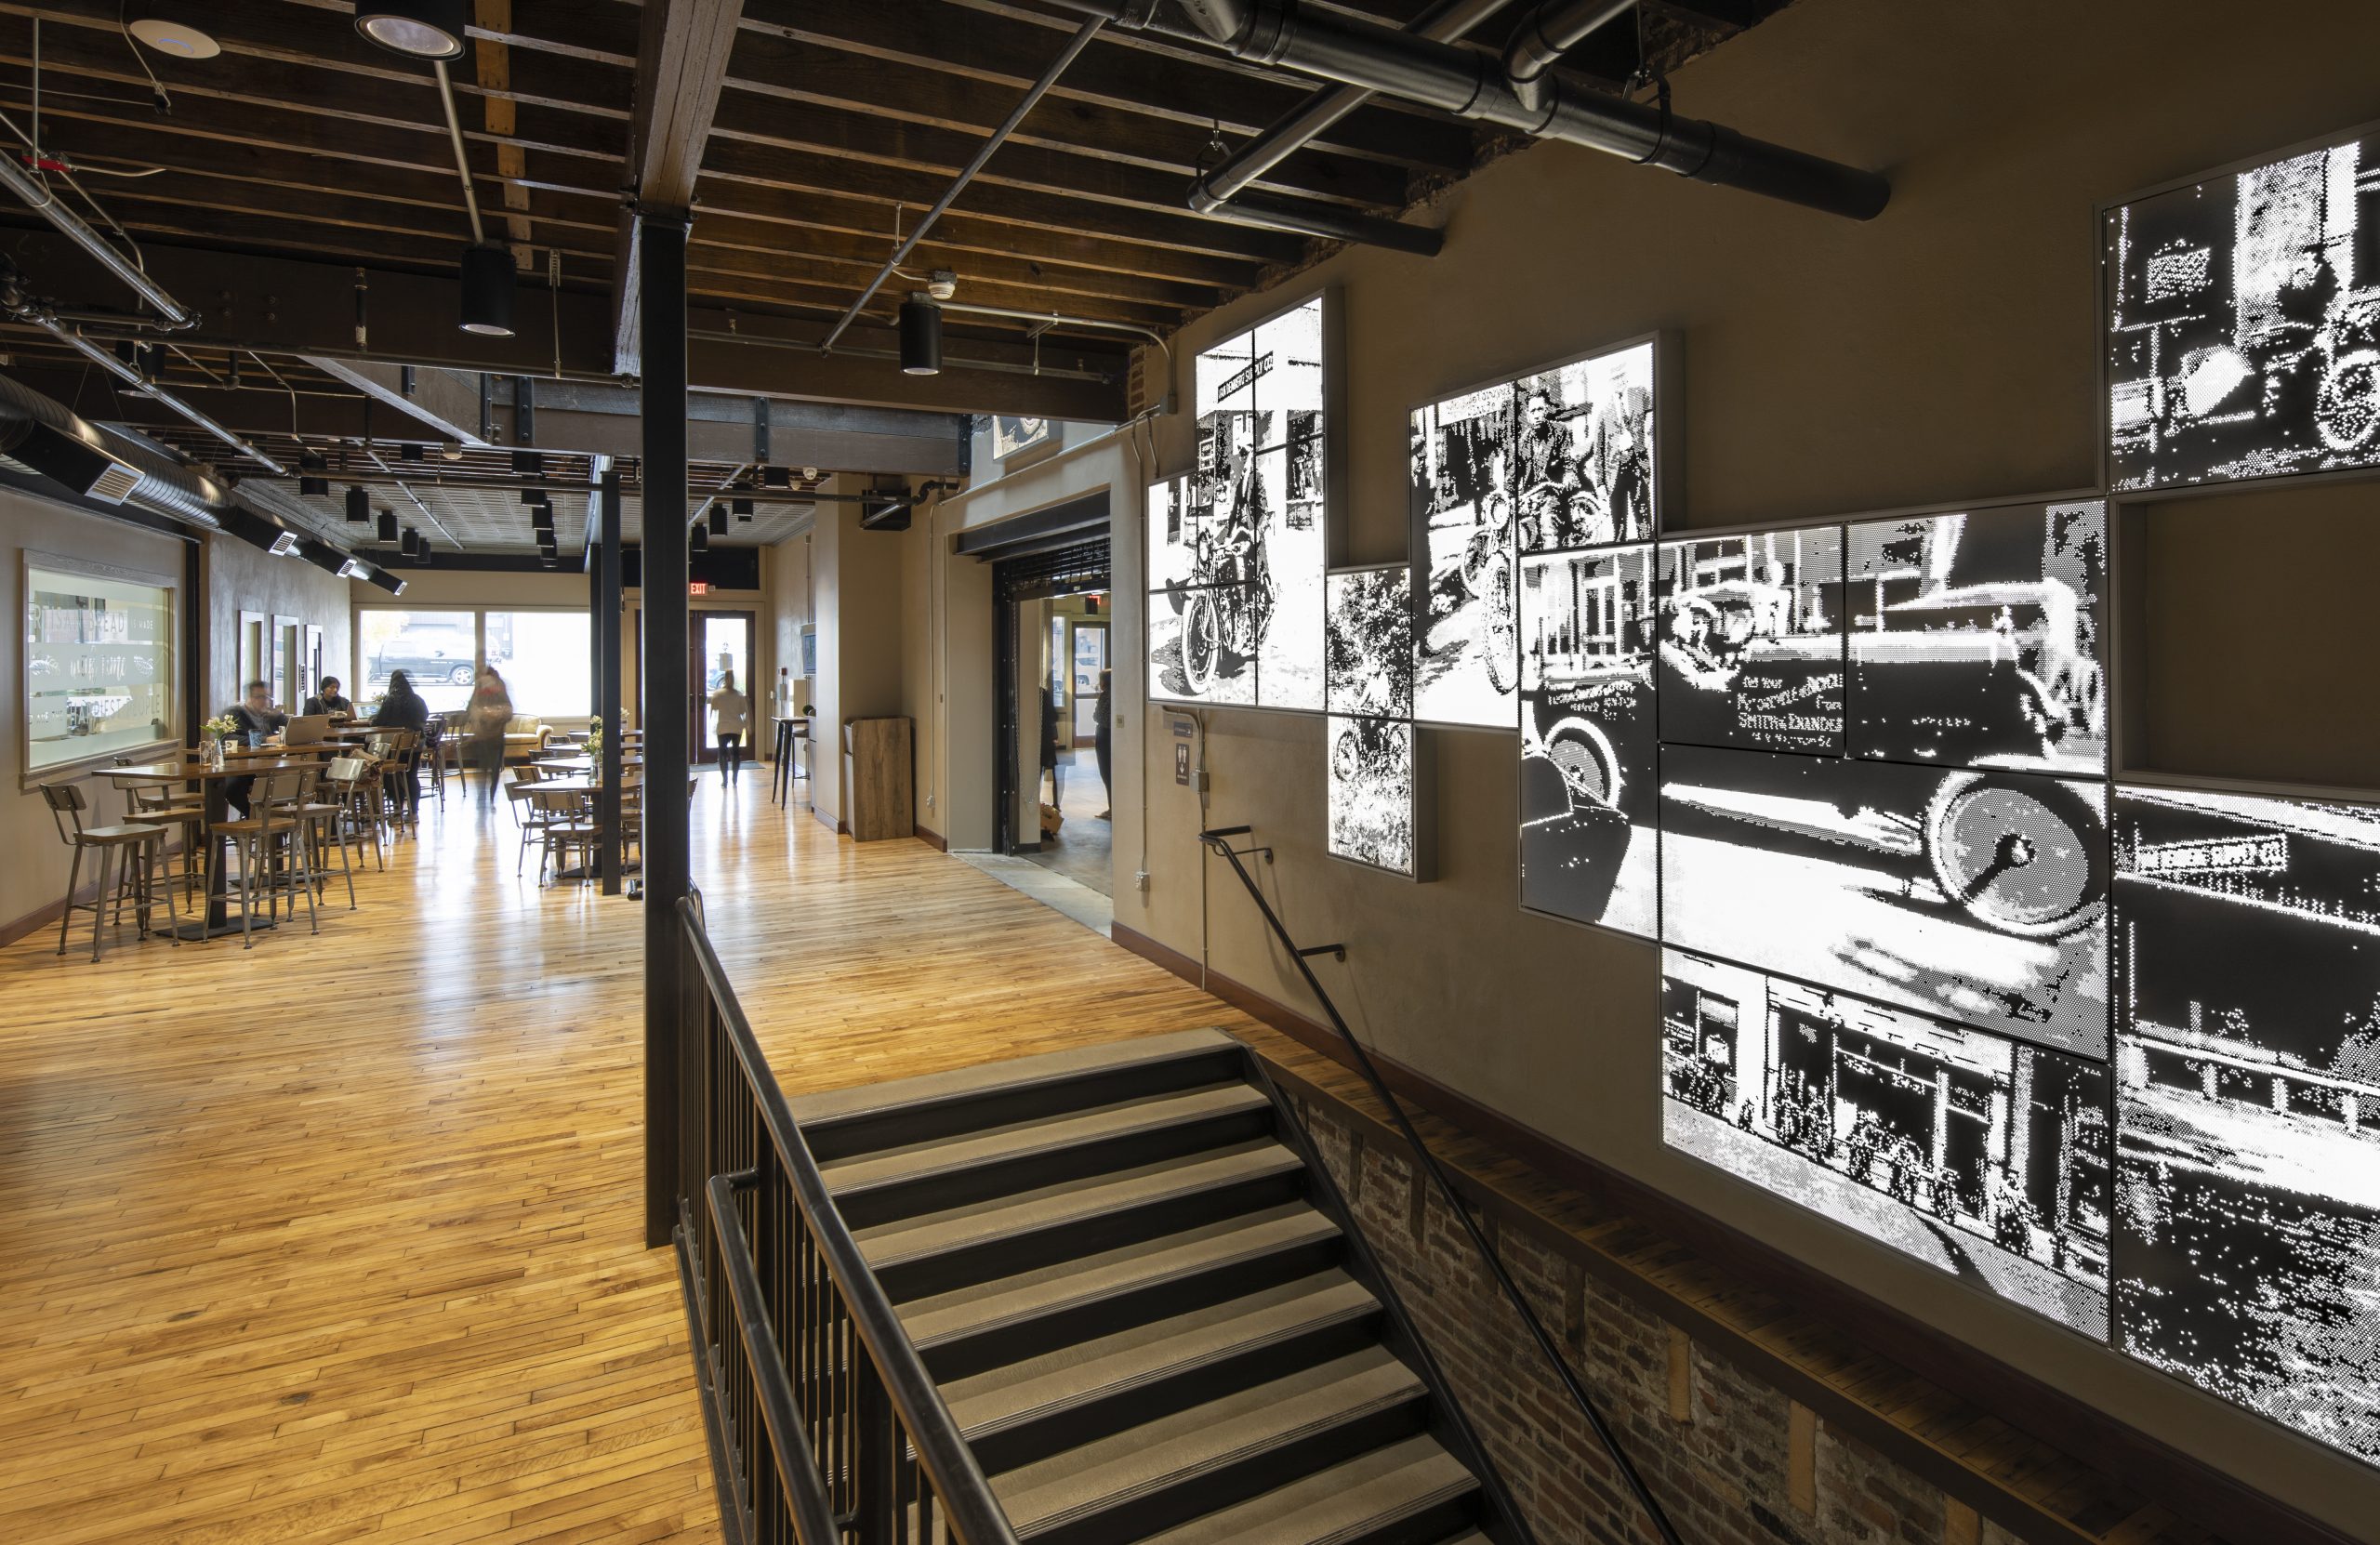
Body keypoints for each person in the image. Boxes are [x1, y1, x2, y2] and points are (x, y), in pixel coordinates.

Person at [218, 680, 287, 817]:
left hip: (268, 766)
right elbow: (226, 739)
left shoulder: (270, 715)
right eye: (260, 697)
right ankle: (254, 817)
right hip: (241, 768)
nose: (265, 701)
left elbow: (292, 728)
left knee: (287, 781)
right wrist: (265, 740)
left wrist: (280, 717)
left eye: (267, 697)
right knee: (231, 788)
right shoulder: (234, 713)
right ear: (248, 698)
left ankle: (275, 827)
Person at [370, 669, 430, 819]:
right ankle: (414, 811)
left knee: (391, 776)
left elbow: (380, 721)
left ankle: (397, 809)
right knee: (412, 776)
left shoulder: (391, 700)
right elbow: (426, 715)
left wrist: (372, 720)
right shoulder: (417, 699)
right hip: (416, 744)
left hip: (396, 747)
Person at [464, 667, 513, 809]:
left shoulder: (479, 689)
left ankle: (482, 795)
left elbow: (469, 711)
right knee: (495, 767)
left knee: (482, 767)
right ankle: (491, 794)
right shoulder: (501, 688)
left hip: (481, 736)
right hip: (497, 736)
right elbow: (508, 713)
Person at [708, 670, 749, 781]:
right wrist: (748, 726)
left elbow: (713, 711)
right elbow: (743, 712)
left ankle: (724, 779)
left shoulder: (717, 694)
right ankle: (734, 777)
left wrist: (711, 728)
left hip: (723, 727)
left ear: (724, 678)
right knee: (735, 752)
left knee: (722, 752)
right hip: (736, 727)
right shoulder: (739, 695)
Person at [1092, 666, 1112, 822]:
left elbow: (1098, 717)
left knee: (1107, 773)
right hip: (1114, 737)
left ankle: (1112, 808)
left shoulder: (1105, 696)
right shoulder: (1119, 693)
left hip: (1105, 738)